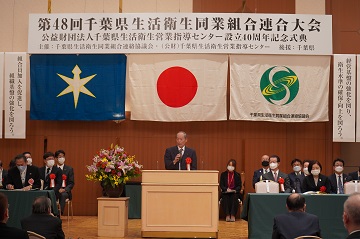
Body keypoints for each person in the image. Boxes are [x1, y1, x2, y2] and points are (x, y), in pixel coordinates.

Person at [55, 150, 75, 214]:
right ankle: (51, 213)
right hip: (55, 190)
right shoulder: (53, 169)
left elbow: (71, 183)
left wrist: (64, 189)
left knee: (63, 195)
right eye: (60, 157)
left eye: (63, 156)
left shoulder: (69, 169)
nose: (62, 158)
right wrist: (56, 189)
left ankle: (59, 213)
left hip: (65, 192)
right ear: (56, 158)